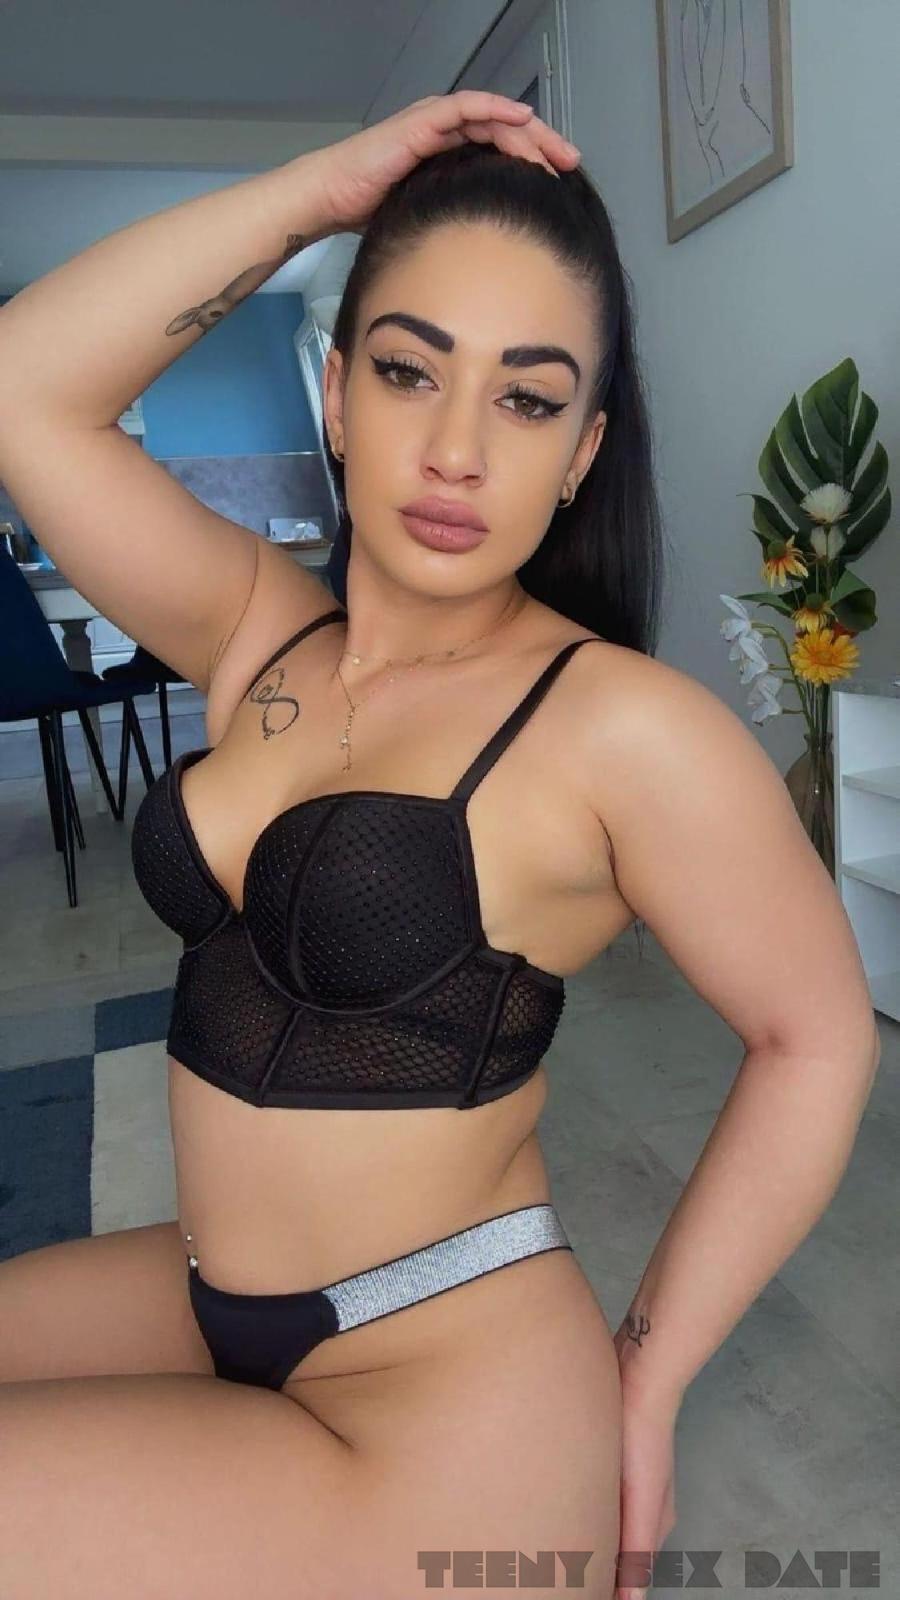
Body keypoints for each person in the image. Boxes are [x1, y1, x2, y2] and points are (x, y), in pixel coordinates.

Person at [0, 92, 879, 1600]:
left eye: (527, 401)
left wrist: (649, 1374)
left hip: (445, 1400)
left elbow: (817, 1036)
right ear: (339, 397)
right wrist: (312, 192)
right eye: (411, 371)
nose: (458, 448)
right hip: (208, 1291)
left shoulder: (619, 725)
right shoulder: (257, 633)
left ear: (582, 452)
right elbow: (25, 386)